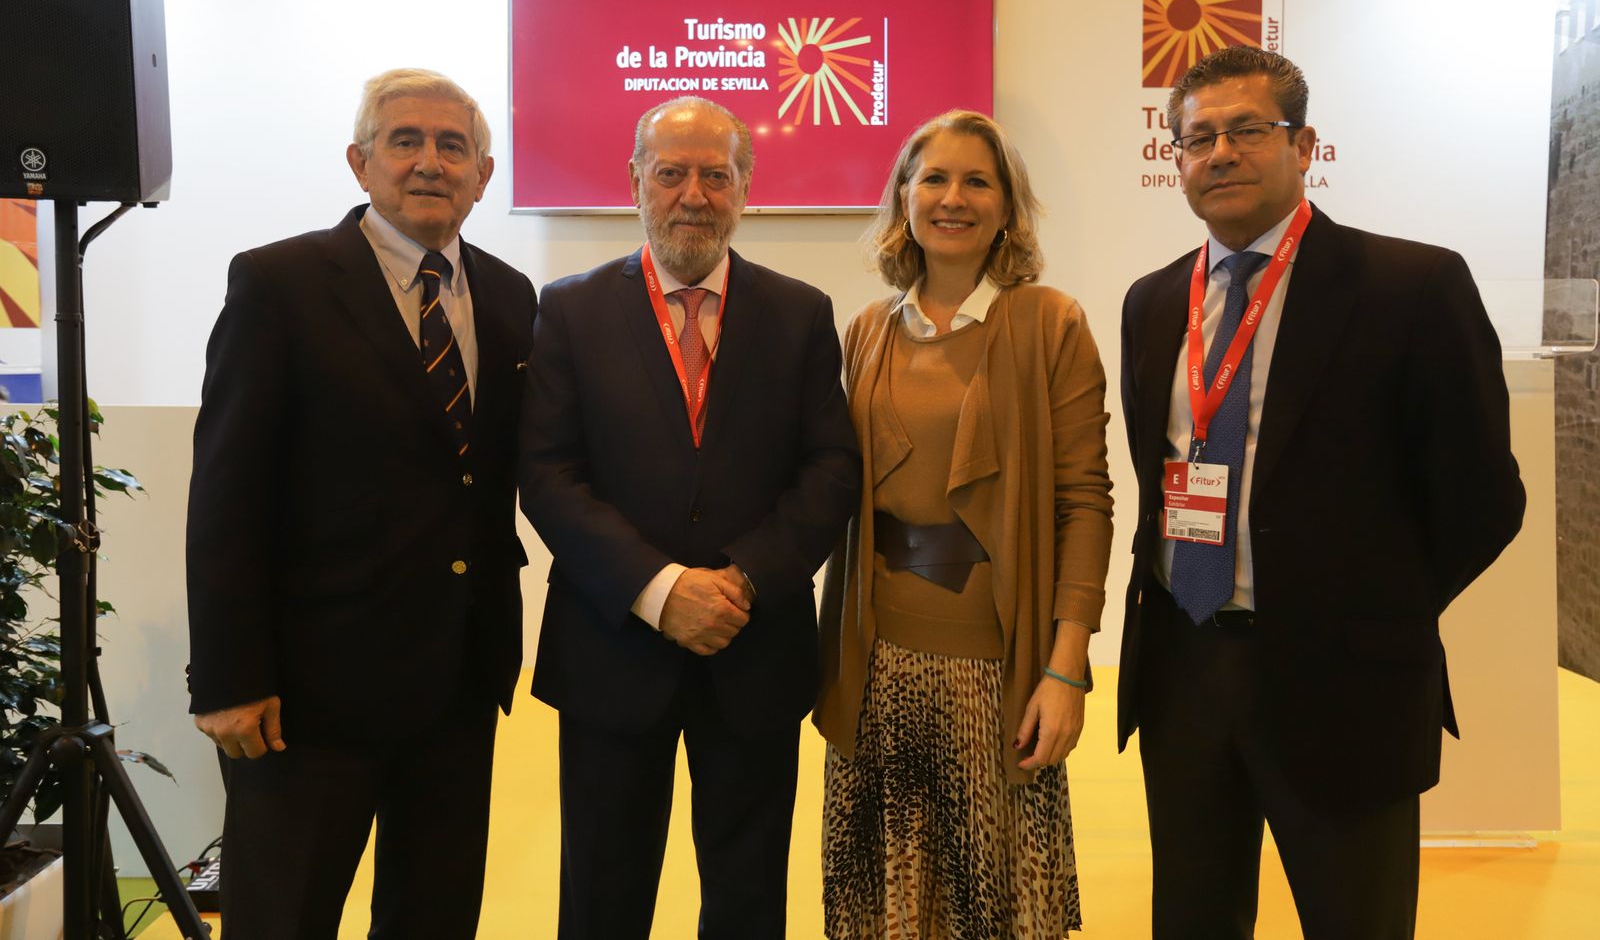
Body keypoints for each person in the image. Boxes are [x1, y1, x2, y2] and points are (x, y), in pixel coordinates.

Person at [1118, 45, 1526, 940]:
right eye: (1198, 137)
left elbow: (1484, 497)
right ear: (1176, 158)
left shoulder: (1411, 286)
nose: (1221, 153)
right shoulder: (1152, 303)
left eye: (1248, 130)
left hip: (1344, 683)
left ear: (1304, 147)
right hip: (1184, 670)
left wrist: (1373, 610)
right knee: (1192, 918)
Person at [185, 68, 536, 939]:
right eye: (404, 141)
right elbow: (227, 494)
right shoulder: (280, 282)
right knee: (283, 920)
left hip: (456, 687)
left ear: (483, 174)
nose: (429, 162)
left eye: (452, 145)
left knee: (434, 920)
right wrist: (230, 678)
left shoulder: (509, 295)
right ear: (360, 162)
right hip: (307, 701)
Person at [519, 95, 859, 939]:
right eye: (671, 173)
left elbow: (830, 469)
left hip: (754, 648)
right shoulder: (570, 310)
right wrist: (661, 589)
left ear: (746, 186)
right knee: (601, 900)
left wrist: (743, 580)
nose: (693, 195)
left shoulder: (801, 313)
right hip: (611, 649)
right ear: (635, 180)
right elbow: (549, 474)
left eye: (716, 175)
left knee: (748, 903)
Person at [814, 109, 1115, 938]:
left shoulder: (1050, 324)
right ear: (904, 198)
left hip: (996, 673)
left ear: (1007, 207)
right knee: (886, 905)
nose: (954, 198)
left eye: (977, 181)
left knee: (991, 904)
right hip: (877, 666)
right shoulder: (867, 331)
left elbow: (1084, 502)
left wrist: (1066, 670)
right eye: (935, 179)